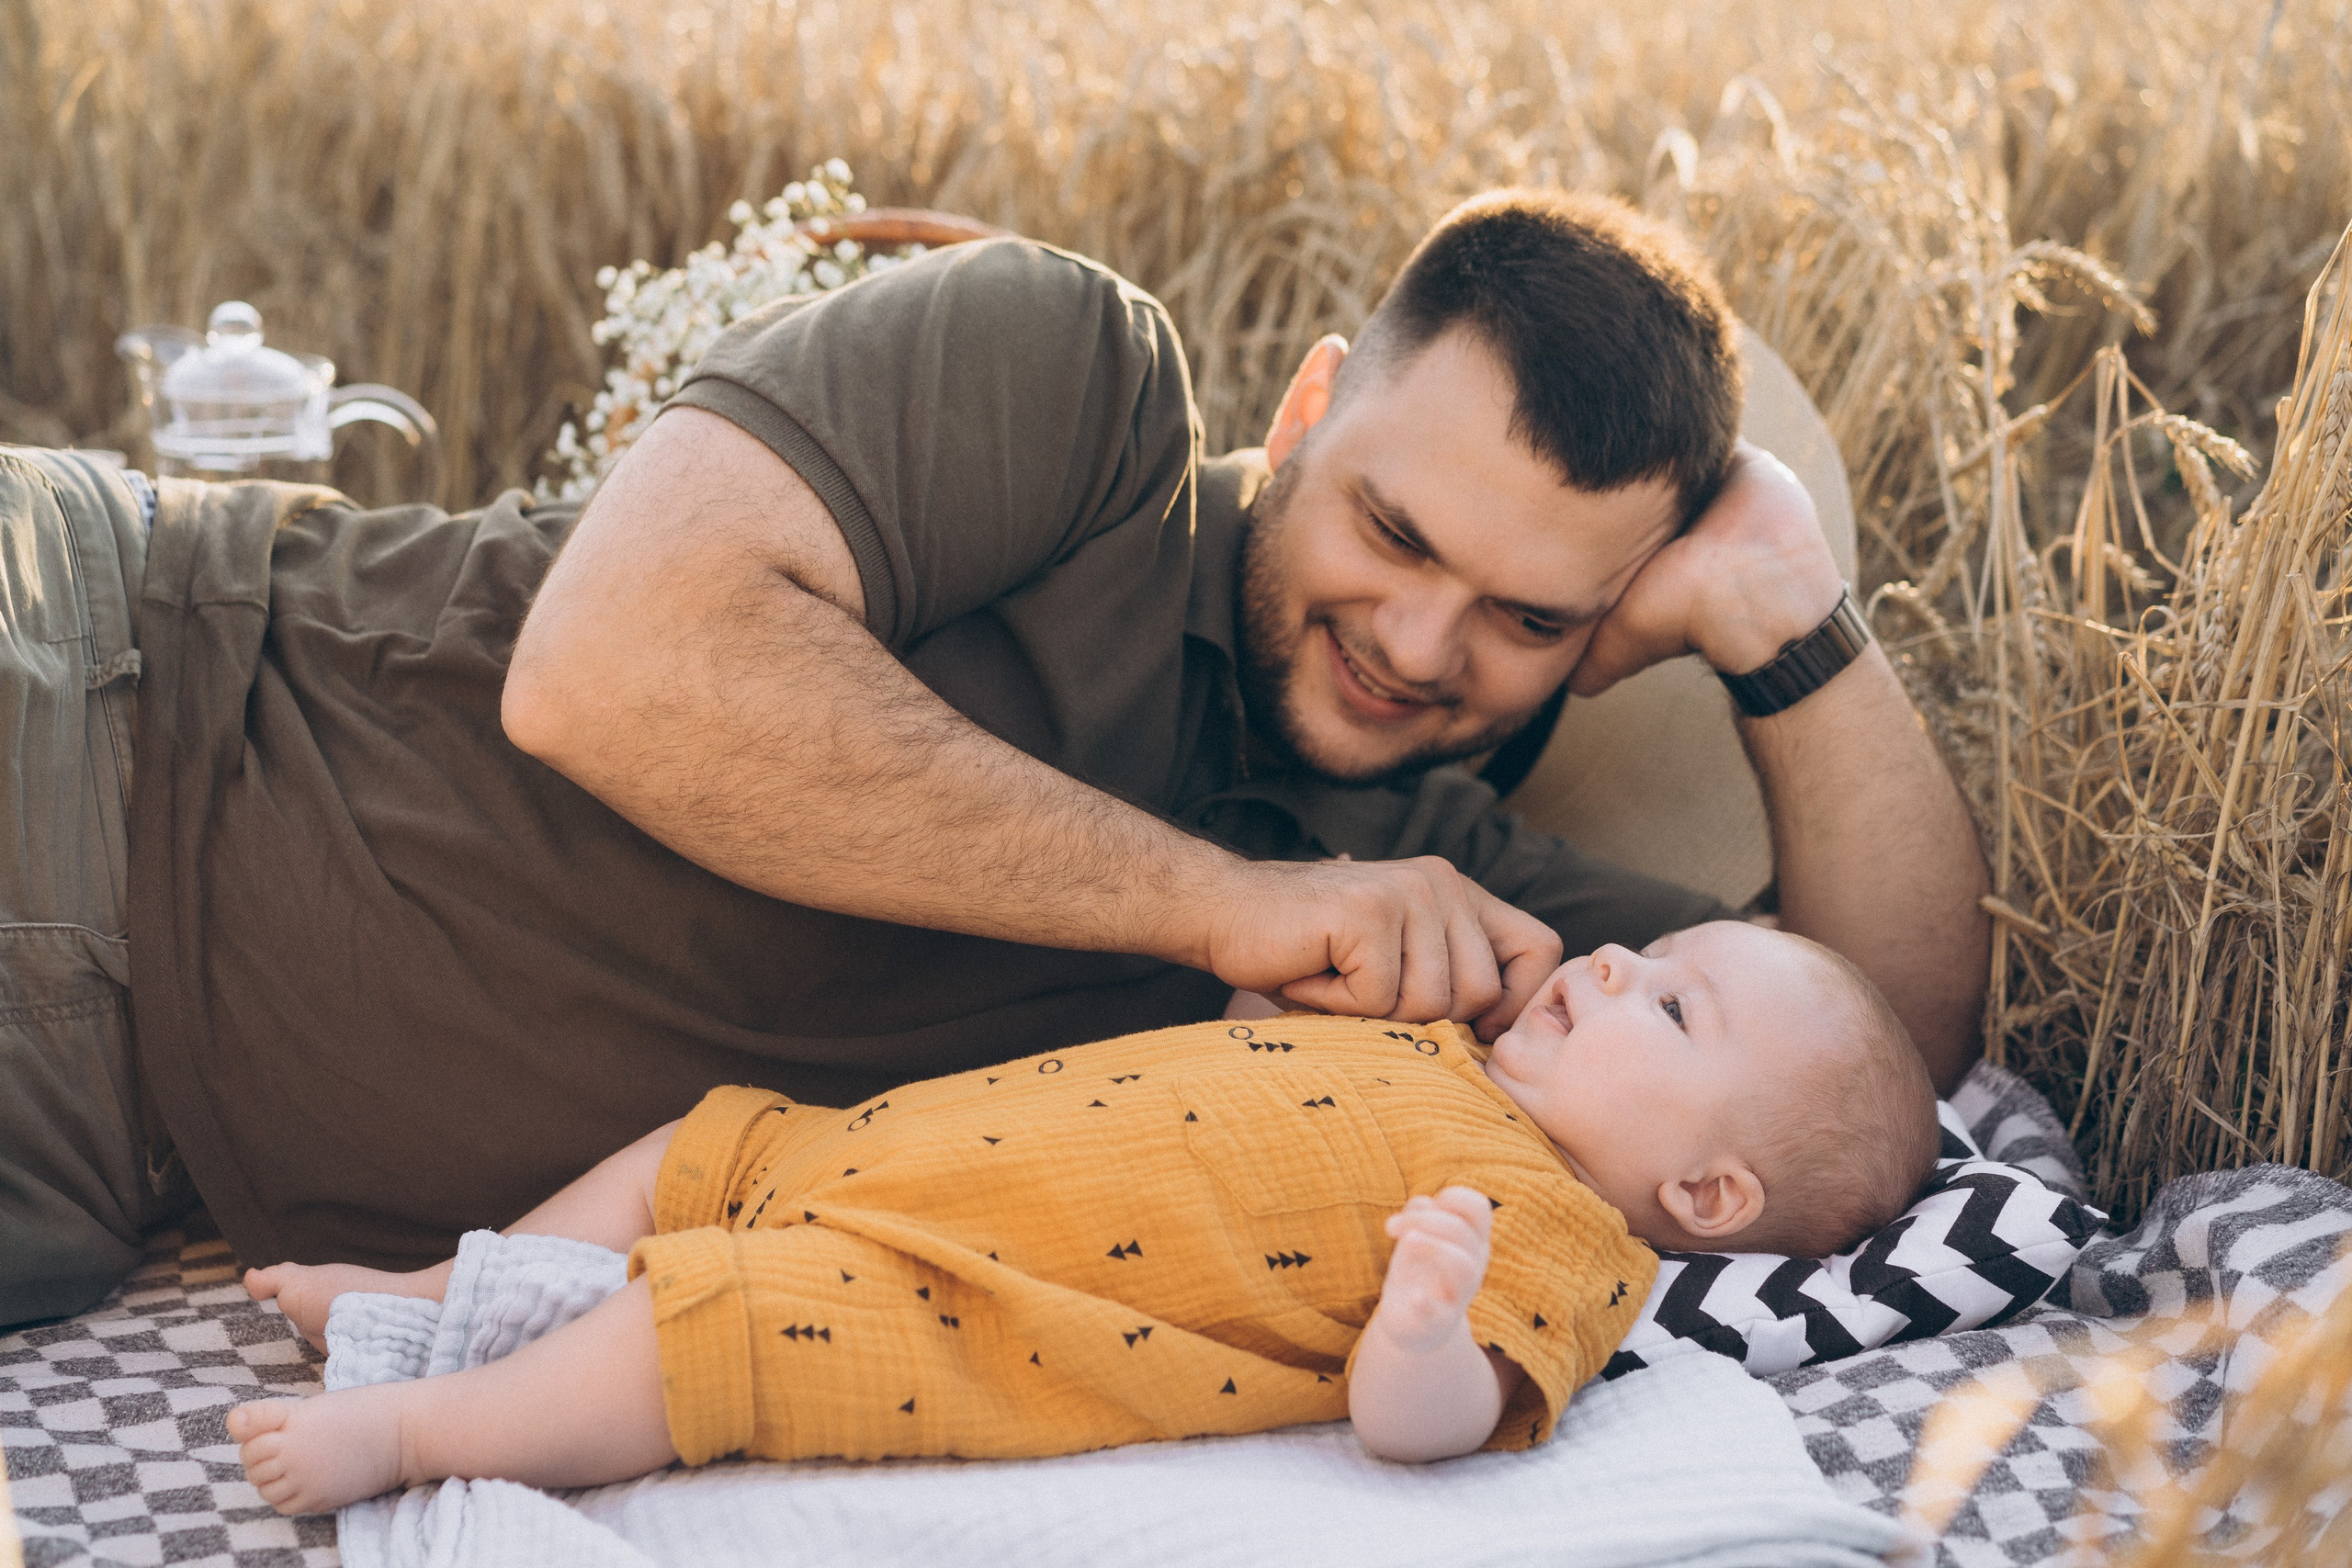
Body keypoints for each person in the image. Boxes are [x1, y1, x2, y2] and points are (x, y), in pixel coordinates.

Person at [0, 187, 1989, 1328]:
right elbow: (613, 668)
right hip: (100, 696)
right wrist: (1228, 901)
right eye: (1392, 535)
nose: (1416, 644)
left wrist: (1784, 617)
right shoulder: (1073, 382)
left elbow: (1870, 1057)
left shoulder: (1456, 895)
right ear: (1307, 410)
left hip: (110, 1133)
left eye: (1529, 619)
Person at [223, 921, 1940, 1514]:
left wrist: (1423, 1333)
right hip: (900, 1147)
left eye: (1679, 1008)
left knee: (727, 1331)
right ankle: (444, 1285)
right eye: (1664, 948)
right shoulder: (1441, 1046)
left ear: (1709, 1196)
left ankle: (423, 1428)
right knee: (697, 1146)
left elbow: (1430, 1432)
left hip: (991, 1302)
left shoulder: (1569, 1245)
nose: (1623, 961)